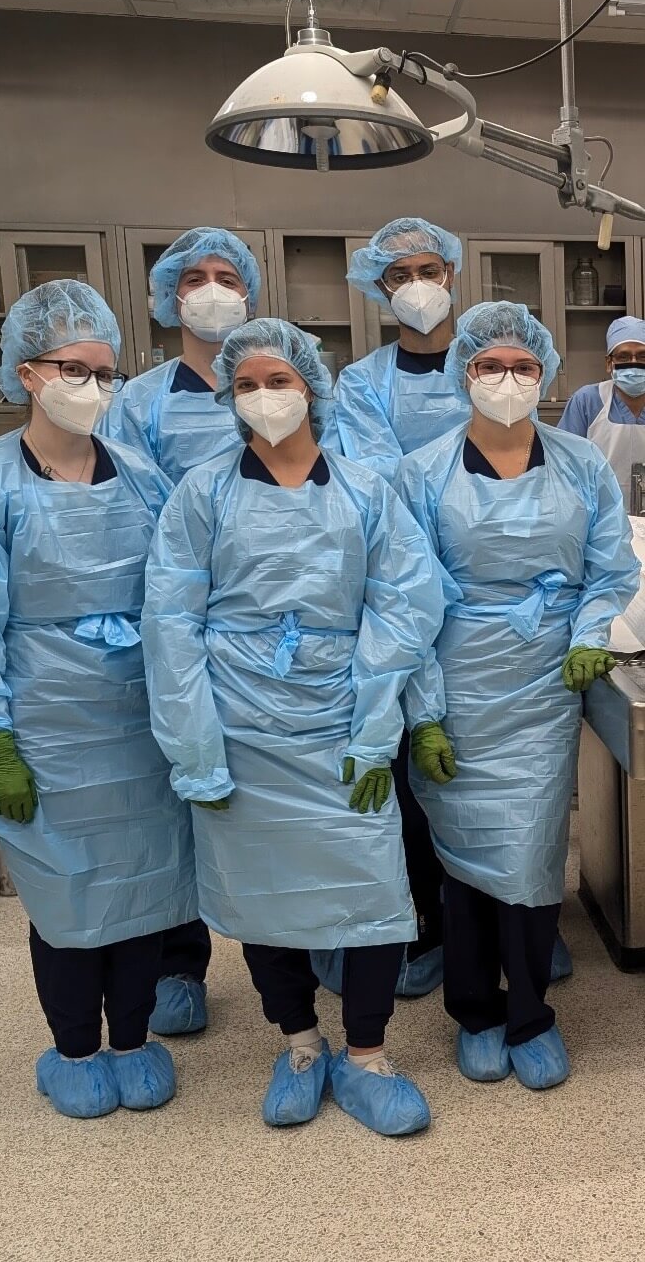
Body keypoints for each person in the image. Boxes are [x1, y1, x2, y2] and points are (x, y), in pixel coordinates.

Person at [141, 318, 446, 1136]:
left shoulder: (365, 492)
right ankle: (302, 1043)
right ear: (229, 397)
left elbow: (403, 606)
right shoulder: (199, 496)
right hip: (240, 728)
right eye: (247, 385)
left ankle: (369, 1054)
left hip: (345, 722)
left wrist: (376, 726)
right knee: (262, 893)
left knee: (375, 892)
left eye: (280, 381)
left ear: (312, 386)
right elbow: (171, 626)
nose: (265, 398)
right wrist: (197, 751)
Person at [0, 280, 197, 1121]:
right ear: (27, 372)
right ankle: (75, 1049)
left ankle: (134, 1040)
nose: (93, 389)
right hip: (40, 727)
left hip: (137, 725)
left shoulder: (143, 479)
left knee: (142, 893)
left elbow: (178, 598)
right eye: (74, 369)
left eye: (106, 373)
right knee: (67, 899)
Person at [399, 301, 639, 1091]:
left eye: (523, 367)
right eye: (490, 366)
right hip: (456, 679)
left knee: (533, 853)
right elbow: (406, 599)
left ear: (545, 376)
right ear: (464, 373)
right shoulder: (421, 472)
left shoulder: (578, 462)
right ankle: (474, 1011)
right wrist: (423, 710)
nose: (507, 380)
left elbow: (608, 568)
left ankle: (530, 1013)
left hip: (541, 685)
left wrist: (585, 636)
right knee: (464, 861)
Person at [100, 227, 262, 1037]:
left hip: (271, 622)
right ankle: (177, 960)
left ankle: (309, 945)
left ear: (250, 292)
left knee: (281, 784)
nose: (209, 289)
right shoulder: (140, 401)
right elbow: (125, 509)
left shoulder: (276, 384)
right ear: (169, 298)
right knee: (177, 793)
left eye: (225, 276)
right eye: (193, 277)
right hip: (178, 613)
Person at [314, 218, 466, 1000]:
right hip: (396, 588)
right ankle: (423, 927)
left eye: (428, 268)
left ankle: (497, 916)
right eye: (399, 273)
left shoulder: (492, 359)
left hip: (483, 601)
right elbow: (375, 482)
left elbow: (513, 459)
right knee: (408, 769)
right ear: (380, 289)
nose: (416, 284)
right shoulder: (361, 383)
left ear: (453, 273)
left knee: (484, 769)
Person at [558, 316, 645, 511]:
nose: (633, 364)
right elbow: (563, 466)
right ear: (609, 363)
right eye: (623, 357)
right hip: (599, 517)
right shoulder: (588, 401)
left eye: (642, 356)